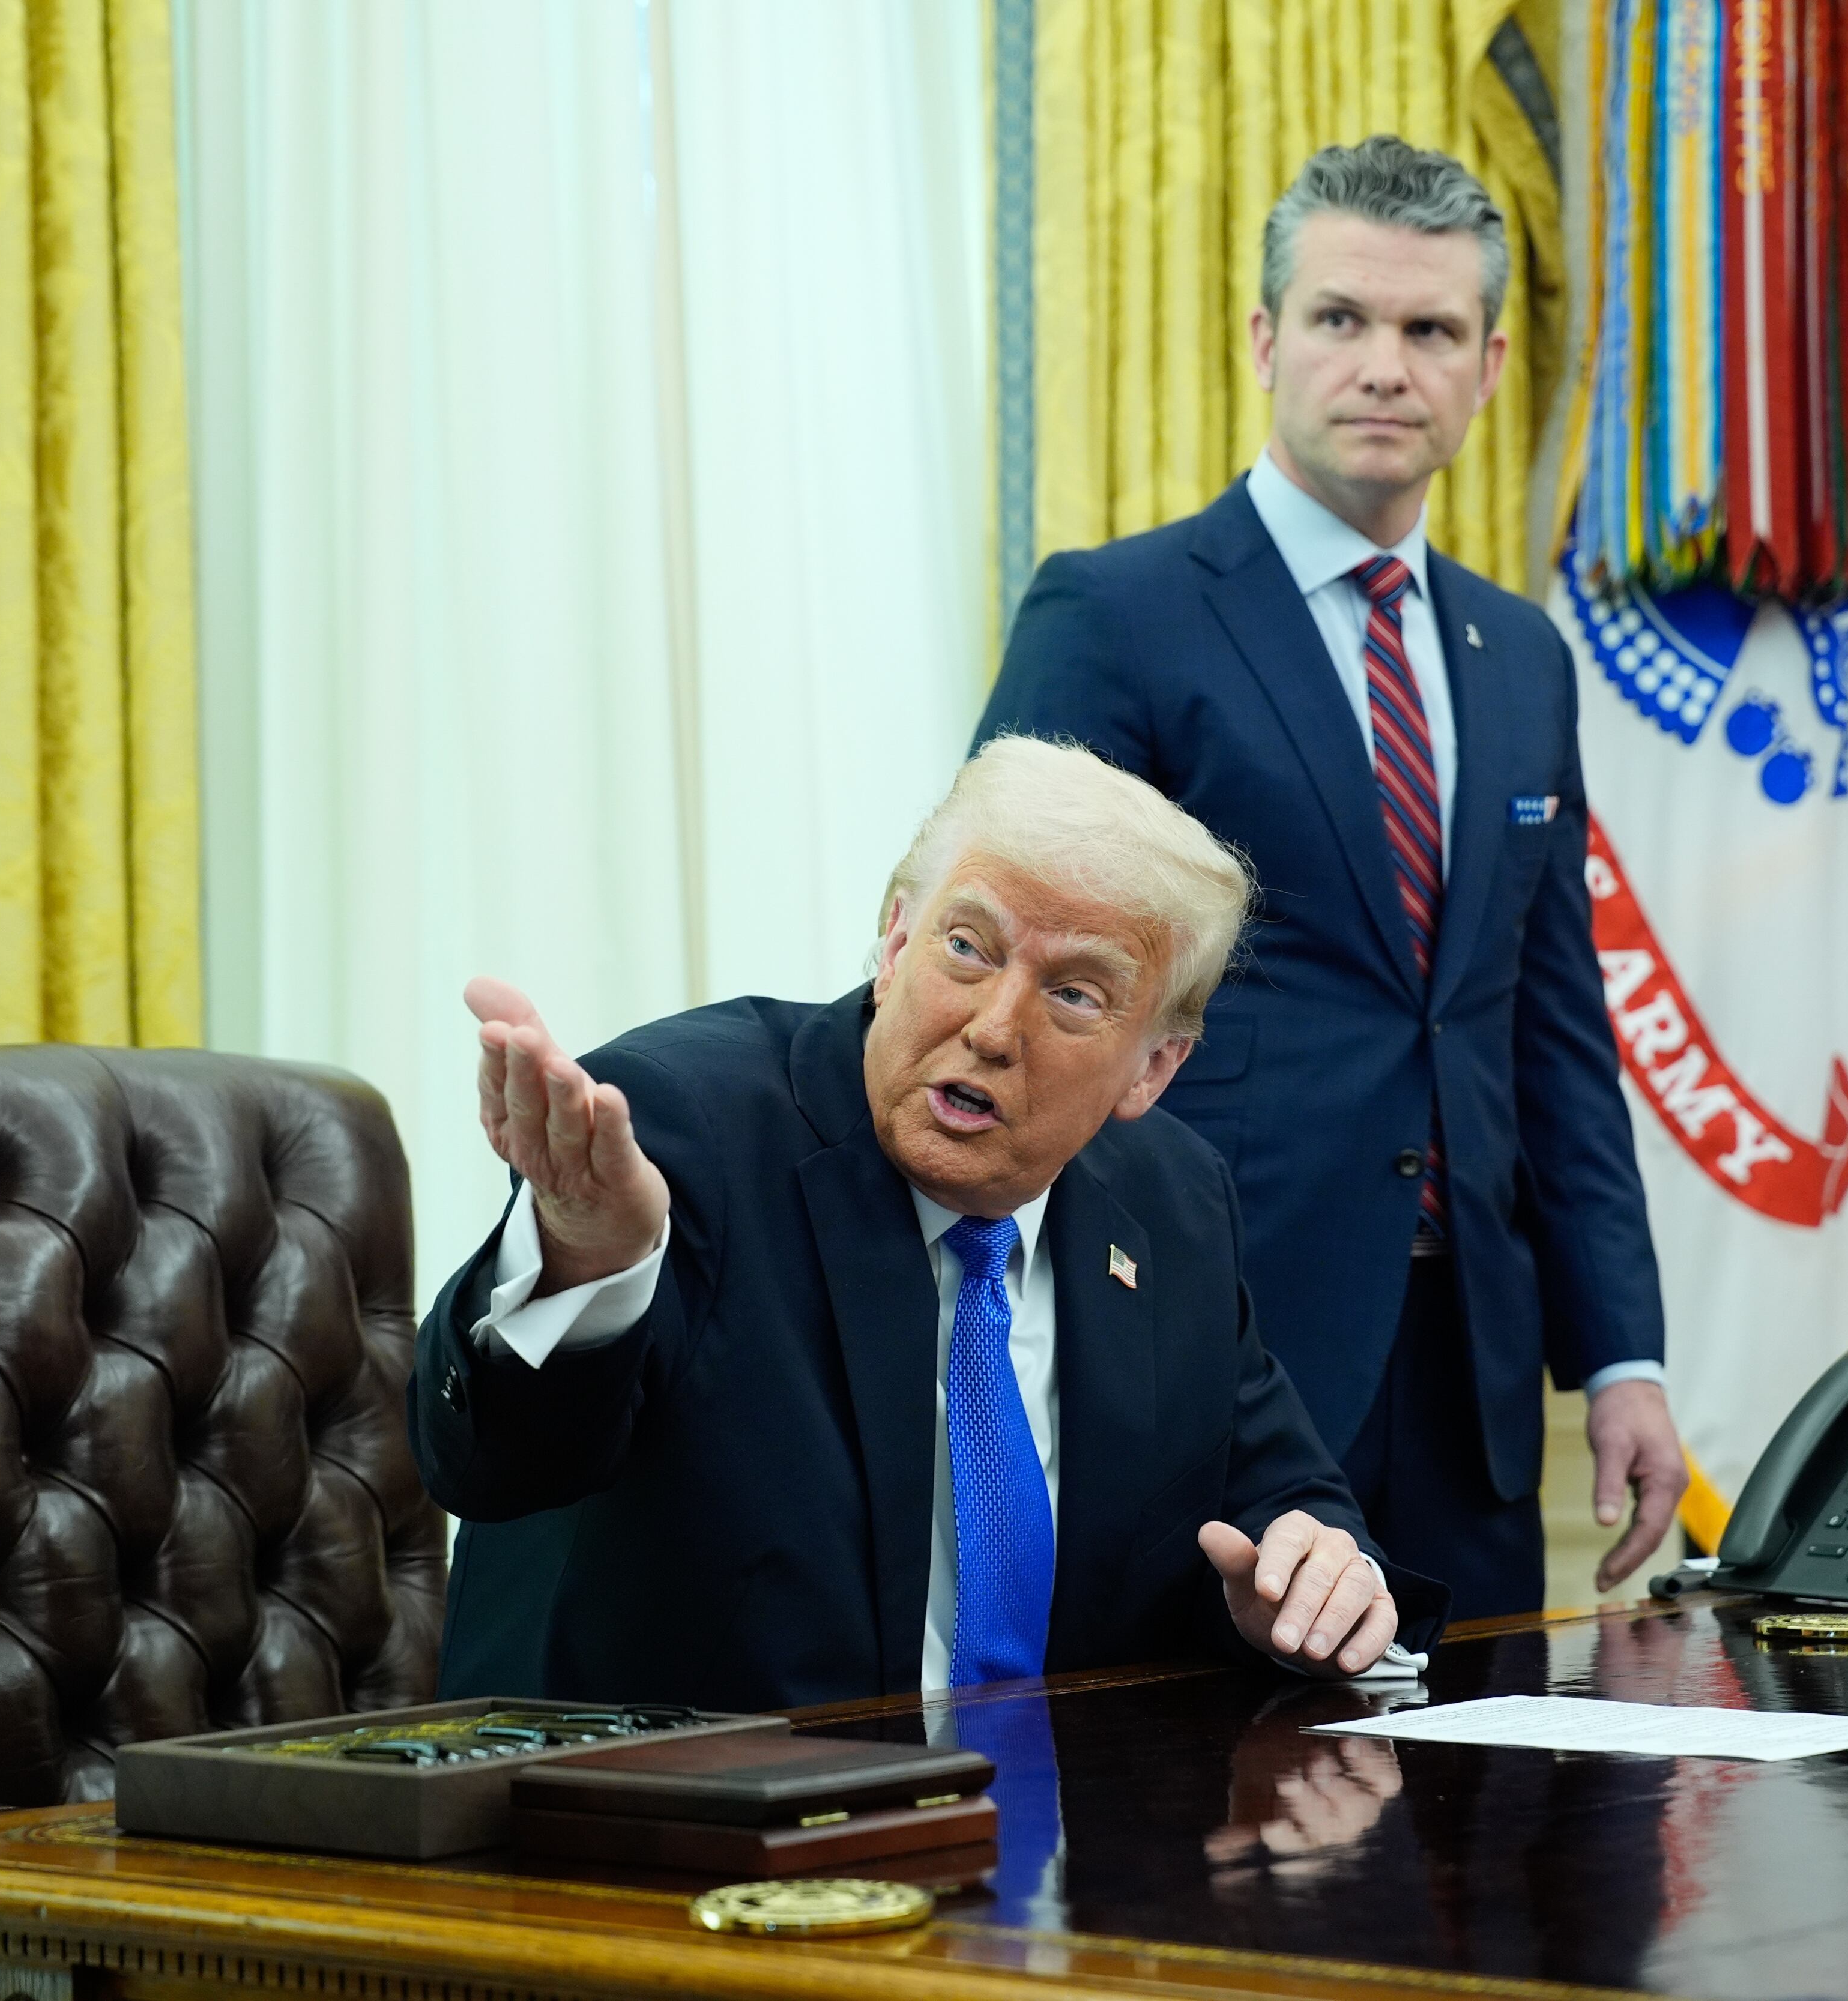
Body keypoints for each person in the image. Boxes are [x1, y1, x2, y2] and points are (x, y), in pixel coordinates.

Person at [974, 136, 1679, 1617]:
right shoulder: (1115, 615)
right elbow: (1016, 976)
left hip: (1472, 1376)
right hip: (1209, 1340)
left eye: (1429, 332)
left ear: (1486, 368)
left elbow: (1549, 1027)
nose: (1383, 365)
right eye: (1340, 319)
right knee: (1222, 1819)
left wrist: (1621, 1356)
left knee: (1497, 1816)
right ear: (1263, 339)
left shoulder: (1521, 655)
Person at [411, 738, 1449, 1713]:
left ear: (1153, 1068)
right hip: (682, 1856)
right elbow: (497, 1467)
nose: (994, 1027)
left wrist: (1315, 1576)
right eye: (968, 945)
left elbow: (1280, 1491)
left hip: (1076, 1861)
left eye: (1075, 993)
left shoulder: (1172, 1204)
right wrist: (589, 1260)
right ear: (897, 939)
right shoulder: (682, 1127)